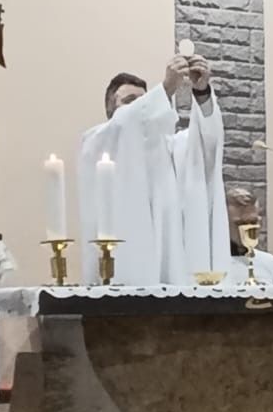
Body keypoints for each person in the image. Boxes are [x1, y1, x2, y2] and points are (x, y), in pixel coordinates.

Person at [75, 53, 229, 283]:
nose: (139, 108)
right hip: (125, 268)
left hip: (172, 270)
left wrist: (202, 93)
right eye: (129, 102)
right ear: (111, 111)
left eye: (143, 100)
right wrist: (166, 88)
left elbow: (207, 146)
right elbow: (126, 122)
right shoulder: (99, 141)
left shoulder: (172, 148)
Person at [225, 186, 273, 285]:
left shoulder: (271, 264)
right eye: (240, 223)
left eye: (253, 222)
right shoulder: (213, 267)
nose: (248, 228)